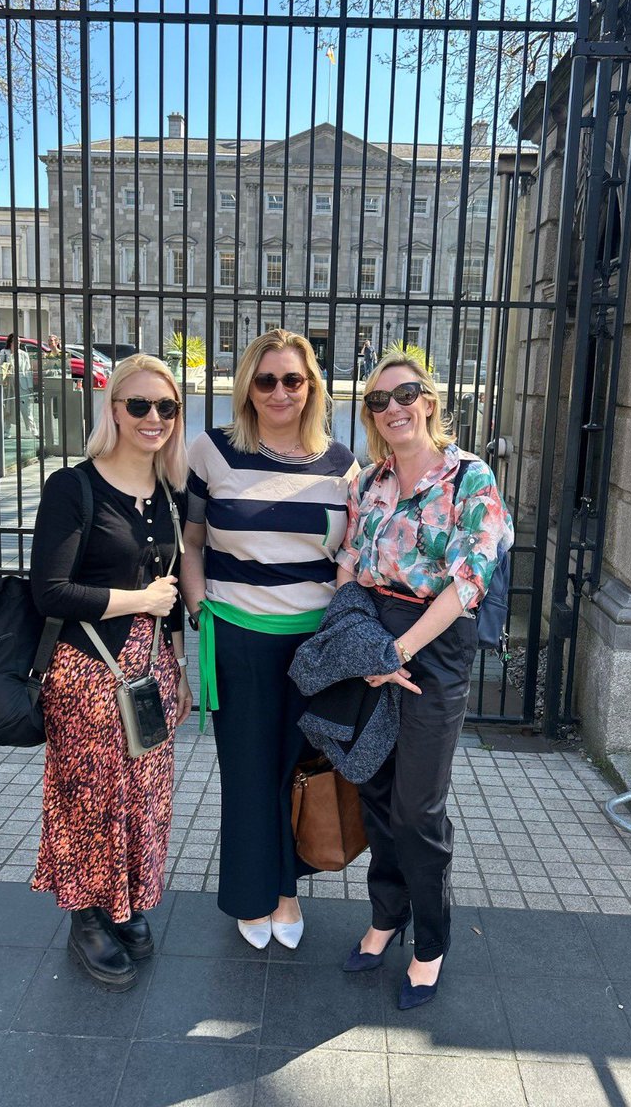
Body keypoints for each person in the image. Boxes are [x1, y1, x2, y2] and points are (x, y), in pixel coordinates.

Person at [335, 353, 513, 1010]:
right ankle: (387, 916)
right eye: (378, 400)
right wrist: (359, 643)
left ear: (430, 401)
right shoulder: (369, 481)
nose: (393, 408)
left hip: (433, 646)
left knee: (418, 806)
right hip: (373, 638)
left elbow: (469, 579)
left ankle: (431, 943)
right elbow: (350, 564)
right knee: (376, 790)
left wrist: (399, 649)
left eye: (405, 393)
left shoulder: (470, 477)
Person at [180, 329, 358, 950]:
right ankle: (252, 897)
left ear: (311, 388)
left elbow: (351, 557)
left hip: (314, 646)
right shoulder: (212, 451)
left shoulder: (342, 466)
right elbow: (191, 541)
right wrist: (199, 608)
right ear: (247, 388)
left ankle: (286, 892)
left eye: (292, 380)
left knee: (299, 771)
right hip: (237, 636)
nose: (280, 392)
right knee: (248, 773)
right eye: (266, 380)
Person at [29, 353, 192, 991]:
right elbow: (50, 591)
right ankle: (88, 916)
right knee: (90, 799)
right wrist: (138, 600)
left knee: (144, 797)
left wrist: (179, 666)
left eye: (167, 407)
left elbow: (172, 594)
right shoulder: (74, 488)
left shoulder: (171, 495)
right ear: (114, 410)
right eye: (140, 405)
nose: (154, 418)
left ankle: (125, 899)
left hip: (150, 672)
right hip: (86, 672)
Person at [0, 332, 37, 437]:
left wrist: (30, 386)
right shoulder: (4, 352)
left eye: (19, 341)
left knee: (26, 409)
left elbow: (28, 371)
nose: (18, 343)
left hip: (22, 384)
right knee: (8, 407)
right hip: (9, 383)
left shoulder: (23, 354)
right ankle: (6, 431)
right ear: (11, 342)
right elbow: (0, 366)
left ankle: (34, 431)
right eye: (16, 341)